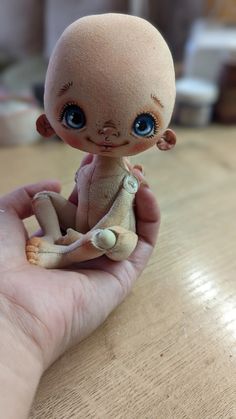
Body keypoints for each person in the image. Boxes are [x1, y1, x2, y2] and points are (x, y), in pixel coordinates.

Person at [0, 173, 159, 419]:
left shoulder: (128, 177)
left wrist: (129, 190)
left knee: (107, 237)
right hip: (80, 226)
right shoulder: (87, 170)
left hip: (114, 234)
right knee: (44, 197)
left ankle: (65, 252)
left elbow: (117, 216)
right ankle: (54, 239)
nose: (106, 137)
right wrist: (14, 323)